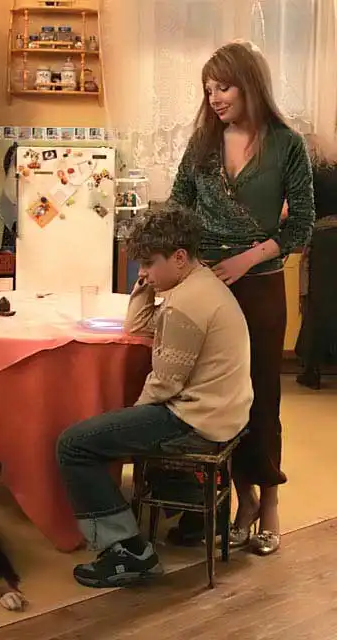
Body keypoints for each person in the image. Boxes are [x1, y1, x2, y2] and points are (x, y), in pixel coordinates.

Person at [167, 41, 315, 555]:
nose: (214, 98)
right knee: (217, 400)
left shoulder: (287, 145)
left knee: (262, 396)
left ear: (249, 84)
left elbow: (301, 224)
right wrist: (171, 263)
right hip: (205, 289)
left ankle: (269, 503)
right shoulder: (202, 145)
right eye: (208, 89)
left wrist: (247, 259)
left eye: (223, 87)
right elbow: (178, 208)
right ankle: (241, 499)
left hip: (260, 286)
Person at [56, 205, 253, 589]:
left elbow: (163, 385)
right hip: (224, 411)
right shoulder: (200, 284)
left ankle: (128, 551)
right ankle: (192, 509)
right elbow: (138, 326)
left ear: (179, 257)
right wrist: (147, 284)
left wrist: (128, 424)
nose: (141, 271)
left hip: (197, 419)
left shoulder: (185, 303)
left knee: (74, 445)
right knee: (108, 432)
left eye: (148, 263)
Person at [295, 134, 337, 389]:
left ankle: (312, 370)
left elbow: (294, 211)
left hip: (324, 242)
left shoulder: (309, 174)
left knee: (316, 303)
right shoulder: (334, 170)